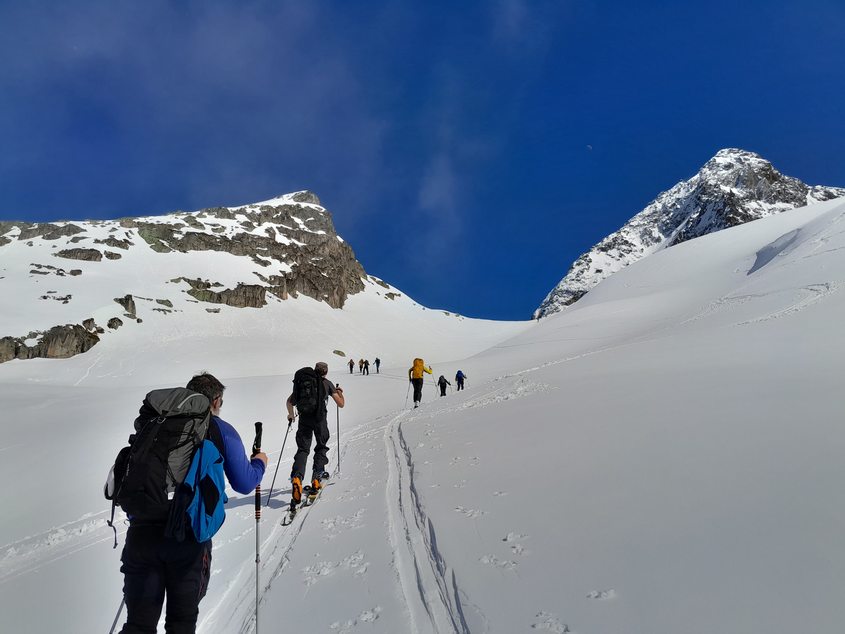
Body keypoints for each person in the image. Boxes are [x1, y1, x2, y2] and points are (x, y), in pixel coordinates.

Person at [119, 372, 268, 634]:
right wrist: (260, 463)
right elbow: (244, 483)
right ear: (216, 401)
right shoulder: (217, 428)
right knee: (181, 625)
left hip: (141, 533)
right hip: (188, 538)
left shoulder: (153, 422)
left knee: (138, 626)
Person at [286, 362, 345, 508]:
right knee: (321, 446)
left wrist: (291, 415)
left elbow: (289, 402)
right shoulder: (327, 383)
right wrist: (339, 392)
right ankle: (317, 476)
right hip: (320, 420)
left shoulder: (304, 383)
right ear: (326, 371)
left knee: (303, 449)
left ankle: (297, 479)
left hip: (304, 419)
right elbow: (341, 404)